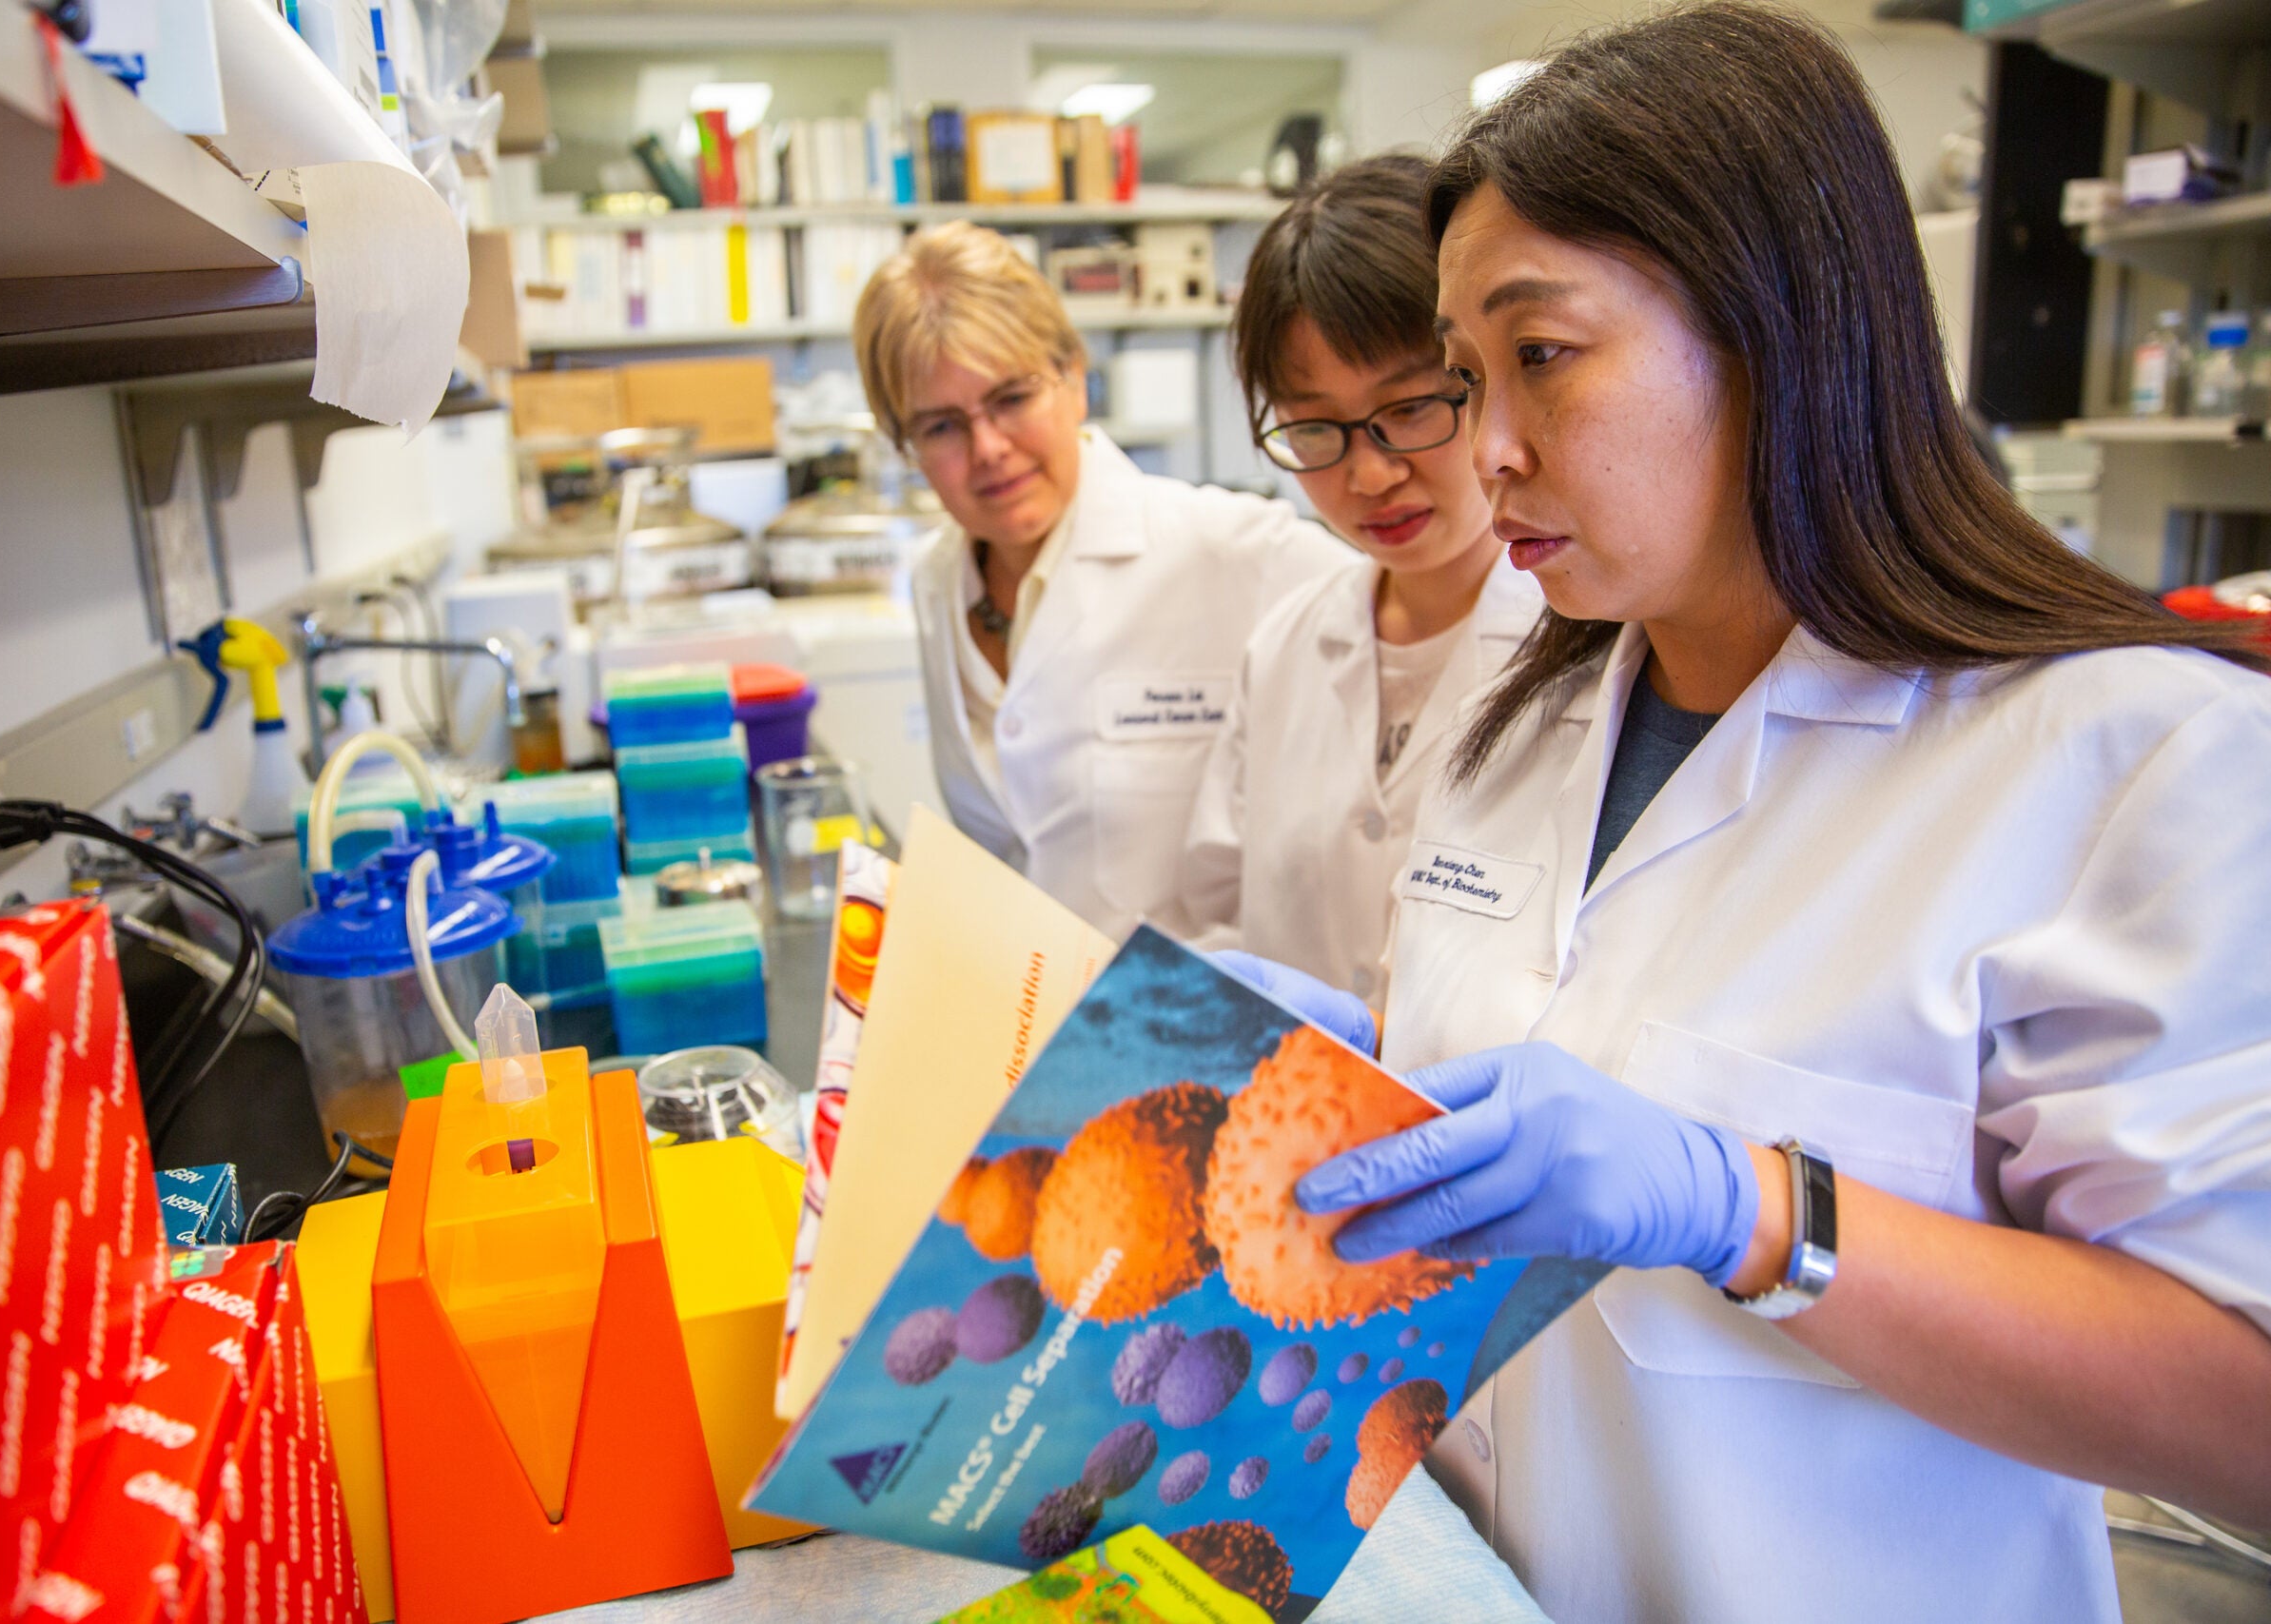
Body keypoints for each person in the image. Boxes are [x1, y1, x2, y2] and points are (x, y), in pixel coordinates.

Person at [1224, 9, 2271, 1620]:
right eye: (1464, 376)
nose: (1483, 449)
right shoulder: (1525, 728)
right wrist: (1351, 1095)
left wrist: (1756, 1210)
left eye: (1544, 358)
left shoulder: (2135, 758)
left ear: (1783, 327)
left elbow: (2240, 1416)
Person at [852, 224, 1345, 940]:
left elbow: (1425, 612)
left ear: (1074, 379)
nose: (988, 448)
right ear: (907, 445)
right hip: (1018, 1022)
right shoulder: (938, 581)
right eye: (941, 427)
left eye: (1012, 398)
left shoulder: (1229, 549)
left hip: (1190, 1029)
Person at [1180, 155, 1542, 1002]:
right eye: (1313, 426)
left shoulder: (1595, 646)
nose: (1369, 475)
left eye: (1411, 407)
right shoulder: (1286, 646)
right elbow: (1215, 915)